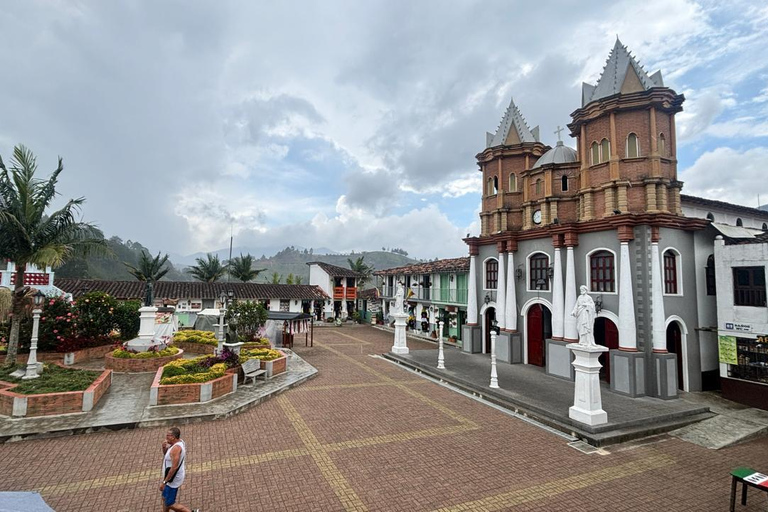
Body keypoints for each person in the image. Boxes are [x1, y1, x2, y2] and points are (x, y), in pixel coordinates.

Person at [160, 427, 198, 512]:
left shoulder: (176, 449)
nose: (166, 437)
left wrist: (164, 482)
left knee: (170, 503)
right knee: (164, 498)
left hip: (172, 479)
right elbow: (167, 456)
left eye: (168, 435)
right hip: (169, 477)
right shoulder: (178, 442)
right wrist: (164, 448)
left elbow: (174, 467)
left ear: (173, 437)